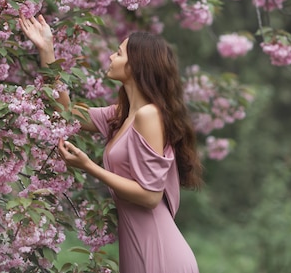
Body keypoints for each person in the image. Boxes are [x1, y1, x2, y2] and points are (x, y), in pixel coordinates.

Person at [19, 14, 202, 273]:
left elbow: (150, 196)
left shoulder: (148, 115)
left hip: (160, 254)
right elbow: (66, 112)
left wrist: (89, 166)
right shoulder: (121, 116)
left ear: (135, 66)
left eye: (118, 53)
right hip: (137, 250)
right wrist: (47, 50)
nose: (110, 57)